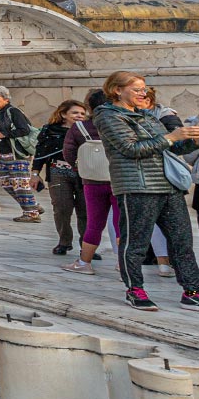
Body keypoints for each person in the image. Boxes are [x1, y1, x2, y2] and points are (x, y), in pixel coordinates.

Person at [93, 71, 199, 311]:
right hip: (137, 186)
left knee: (182, 240)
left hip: (167, 185)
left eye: (145, 89)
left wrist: (192, 140)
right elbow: (130, 148)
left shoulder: (148, 116)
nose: (144, 93)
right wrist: (172, 137)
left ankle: (192, 291)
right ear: (117, 90)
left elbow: (172, 148)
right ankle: (135, 289)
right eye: (138, 89)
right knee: (136, 242)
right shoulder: (107, 116)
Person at [61, 89, 115, 274]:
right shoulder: (120, 123)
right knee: (122, 222)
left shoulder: (80, 128)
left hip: (92, 180)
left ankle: (85, 263)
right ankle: (124, 263)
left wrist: (81, 168)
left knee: (94, 223)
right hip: (119, 179)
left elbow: (68, 153)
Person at [33, 99, 86, 256]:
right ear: (64, 114)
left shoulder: (88, 130)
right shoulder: (50, 131)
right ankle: (64, 242)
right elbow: (41, 153)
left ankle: (87, 245)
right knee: (62, 209)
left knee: (85, 211)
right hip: (59, 171)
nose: (79, 116)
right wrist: (35, 174)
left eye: (82, 113)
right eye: (75, 113)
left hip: (84, 173)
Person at [0, 87, 39, 221]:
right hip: (5, 153)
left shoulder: (13, 111)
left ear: (5, 98)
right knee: (4, 181)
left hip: (17, 153)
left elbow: (23, 130)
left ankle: (32, 213)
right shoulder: (1, 112)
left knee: (19, 183)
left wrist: (2, 134)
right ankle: (32, 205)